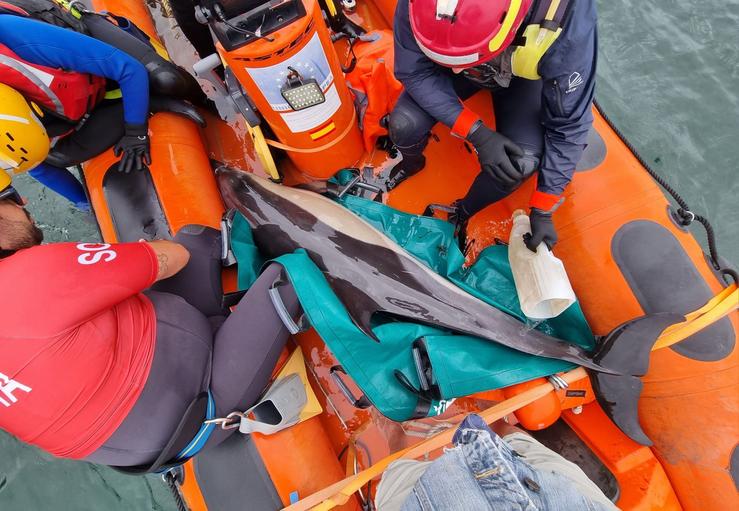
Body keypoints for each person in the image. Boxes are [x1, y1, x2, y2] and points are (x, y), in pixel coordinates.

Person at [0, 176, 301, 468]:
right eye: (12, 197)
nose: (24, 200)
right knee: (289, 273)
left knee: (197, 238)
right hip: (199, 408)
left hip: (155, 402)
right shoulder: (31, 272)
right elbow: (174, 256)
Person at [389, 0, 597, 251]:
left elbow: (570, 125)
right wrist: (476, 132)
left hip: (519, 81)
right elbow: (414, 71)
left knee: (520, 163)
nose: (456, 67)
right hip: (451, 68)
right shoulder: (419, 6)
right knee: (403, 124)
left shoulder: (568, 22)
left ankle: (461, 212)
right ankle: (411, 161)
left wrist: (543, 206)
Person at [0, 2, 204, 211]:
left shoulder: (13, 36)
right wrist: (86, 205)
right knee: (57, 157)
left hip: (102, 56)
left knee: (167, 81)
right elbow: (33, 163)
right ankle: (139, 104)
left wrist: (136, 132)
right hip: (78, 100)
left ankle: (207, 105)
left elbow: (127, 68)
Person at [375, 414, 618, 511]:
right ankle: (493, 409)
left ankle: (392, 430)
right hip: (567, 504)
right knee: (527, 450)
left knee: (400, 468)